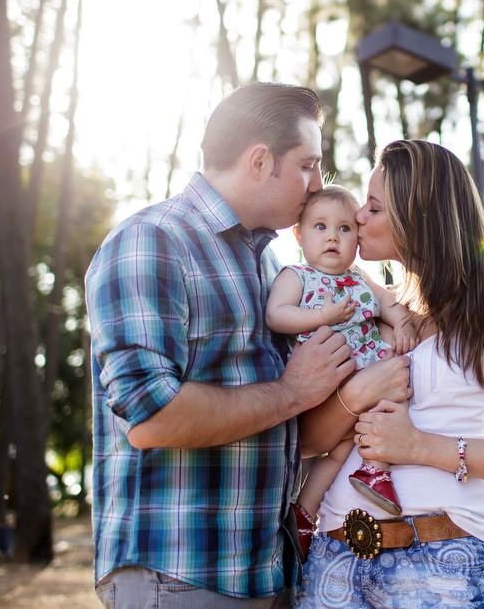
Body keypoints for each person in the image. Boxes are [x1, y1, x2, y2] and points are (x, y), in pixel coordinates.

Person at [86, 82, 359, 609]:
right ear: (260, 161)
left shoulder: (272, 268)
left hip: (267, 575)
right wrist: (292, 392)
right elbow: (152, 417)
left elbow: (275, 431)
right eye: (307, 164)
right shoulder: (152, 242)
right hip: (182, 576)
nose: (317, 183)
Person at [296, 139, 484, 609]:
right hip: (335, 559)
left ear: (418, 216)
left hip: (441, 561)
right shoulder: (374, 311)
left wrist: (420, 447)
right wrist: (358, 393)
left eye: (374, 207)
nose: (358, 217)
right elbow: (307, 443)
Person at [265, 185, 417, 556]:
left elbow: (388, 301)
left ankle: (364, 475)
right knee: (329, 449)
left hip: (367, 377)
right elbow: (276, 314)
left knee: (355, 438)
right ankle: (307, 508)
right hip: (325, 381)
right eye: (320, 227)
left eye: (345, 228)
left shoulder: (360, 277)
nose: (332, 236)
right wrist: (322, 316)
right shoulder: (296, 275)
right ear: (299, 235)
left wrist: (402, 324)